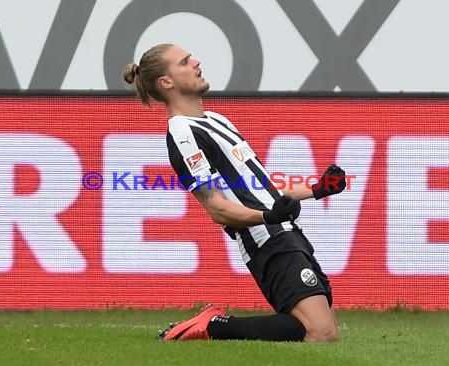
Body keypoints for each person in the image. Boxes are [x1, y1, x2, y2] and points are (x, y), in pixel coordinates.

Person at [122, 44, 346, 343]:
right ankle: (214, 325)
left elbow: (260, 189)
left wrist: (319, 189)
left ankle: (214, 325)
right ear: (166, 82)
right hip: (267, 240)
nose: (197, 62)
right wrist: (267, 216)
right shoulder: (183, 132)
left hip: (286, 232)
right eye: (185, 61)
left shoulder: (217, 120)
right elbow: (217, 208)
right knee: (320, 332)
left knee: (320, 329)